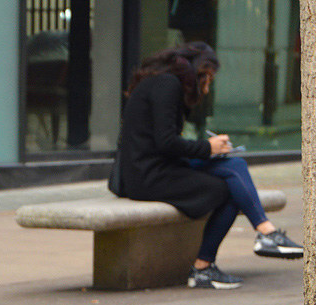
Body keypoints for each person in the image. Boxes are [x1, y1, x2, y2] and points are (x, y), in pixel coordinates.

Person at [108, 42, 302, 290]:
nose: (208, 88)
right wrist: (208, 148)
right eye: (208, 79)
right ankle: (207, 265)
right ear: (199, 72)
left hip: (158, 167)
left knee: (233, 164)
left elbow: (164, 144)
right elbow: (166, 143)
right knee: (227, 191)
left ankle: (266, 234)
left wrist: (211, 150)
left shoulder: (162, 83)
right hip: (148, 177)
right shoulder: (167, 86)